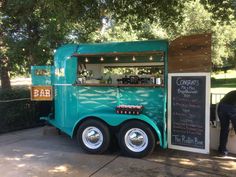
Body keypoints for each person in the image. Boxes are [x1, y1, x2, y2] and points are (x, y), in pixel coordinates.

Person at [217, 90, 236, 155]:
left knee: (224, 130)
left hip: (221, 107)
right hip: (232, 108)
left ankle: (222, 151)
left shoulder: (232, 92)